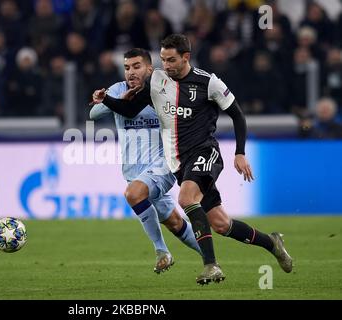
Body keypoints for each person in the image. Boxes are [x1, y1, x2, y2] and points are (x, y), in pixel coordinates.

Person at [92, 34, 293, 285]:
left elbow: (237, 115)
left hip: (205, 152)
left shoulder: (208, 82)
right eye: (163, 60)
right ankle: (271, 243)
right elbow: (130, 110)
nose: (166, 65)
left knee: (186, 198)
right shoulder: (157, 81)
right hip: (180, 162)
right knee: (221, 224)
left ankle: (211, 266)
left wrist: (240, 152)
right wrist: (107, 100)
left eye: (172, 60)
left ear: (186, 57)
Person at [90, 48, 202, 274]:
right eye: (127, 67)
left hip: (163, 164)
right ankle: (210, 257)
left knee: (133, 194)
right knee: (174, 223)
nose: (131, 72)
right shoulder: (118, 89)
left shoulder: (161, 91)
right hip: (134, 170)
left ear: (150, 69)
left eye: (137, 66)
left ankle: (162, 251)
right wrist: (113, 101)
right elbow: (94, 114)